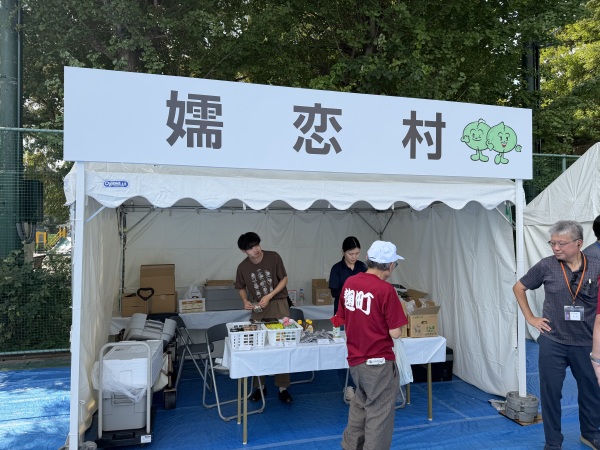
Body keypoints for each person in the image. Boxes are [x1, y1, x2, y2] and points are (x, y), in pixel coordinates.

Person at [513, 220, 600, 450]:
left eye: (561, 243)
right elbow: (519, 287)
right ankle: (553, 442)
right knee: (551, 392)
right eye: (552, 243)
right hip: (554, 341)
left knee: (591, 390)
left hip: (586, 341)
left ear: (578, 243)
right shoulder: (546, 266)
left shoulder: (596, 266)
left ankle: (590, 434)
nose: (556, 248)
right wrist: (531, 318)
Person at [337, 240, 408, 450]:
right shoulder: (386, 290)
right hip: (378, 361)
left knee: (360, 405)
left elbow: (343, 317)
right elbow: (395, 332)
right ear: (391, 266)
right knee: (379, 413)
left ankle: (350, 446)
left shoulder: (350, 283)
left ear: (367, 258)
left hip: (356, 358)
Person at [235, 232, 293, 403]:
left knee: (282, 344)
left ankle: (283, 388)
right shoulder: (242, 267)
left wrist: (270, 295)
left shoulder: (273, 257)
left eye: (257, 245)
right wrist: (245, 300)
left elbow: (284, 279)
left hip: (279, 303)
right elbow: (240, 287)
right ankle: (259, 387)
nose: (256, 249)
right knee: (257, 346)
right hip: (259, 307)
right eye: (251, 248)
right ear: (243, 251)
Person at [329, 236, 367, 401]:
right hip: (342, 315)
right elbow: (334, 292)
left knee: (362, 349)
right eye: (351, 253)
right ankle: (348, 386)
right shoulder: (337, 269)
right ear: (343, 252)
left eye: (357, 253)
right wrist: (352, 290)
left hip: (362, 314)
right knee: (344, 350)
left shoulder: (362, 267)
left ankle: (362, 384)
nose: (354, 257)